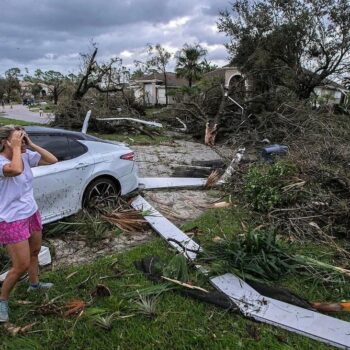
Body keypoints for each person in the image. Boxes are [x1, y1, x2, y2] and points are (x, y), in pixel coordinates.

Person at [0, 126, 58, 322]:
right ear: (5, 142)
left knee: (35, 252)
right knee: (20, 265)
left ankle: (34, 285)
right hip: (11, 219)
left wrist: (30, 144)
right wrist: (17, 148)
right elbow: (15, 170)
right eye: (18, 139)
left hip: (30, 212)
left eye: (24, 138)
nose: (22, 142)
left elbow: (52, 160)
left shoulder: (24, 155)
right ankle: (2, 300)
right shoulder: (2, 162)